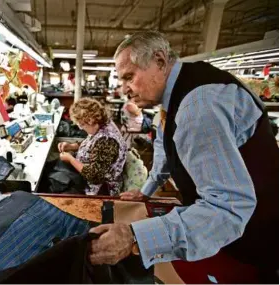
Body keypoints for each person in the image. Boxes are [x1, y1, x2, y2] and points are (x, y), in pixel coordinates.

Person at [88, 31, 279, 283]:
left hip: (249, 240)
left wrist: (134, 237)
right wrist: (146, 191)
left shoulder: (197, 106)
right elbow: (165, 154)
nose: (125, 90)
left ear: (159, 61)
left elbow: (228, 208)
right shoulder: (177, 95)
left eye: (129, 77)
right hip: (228, 233)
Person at [58, 98, 127, 196]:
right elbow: (92, 144)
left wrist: (71, 159)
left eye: (82, 125)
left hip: (100, 190)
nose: (82, 128)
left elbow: (94, 176)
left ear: (90, 120)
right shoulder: (101, 125)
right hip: (87, 178)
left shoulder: (107, 141)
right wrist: (71, 146)